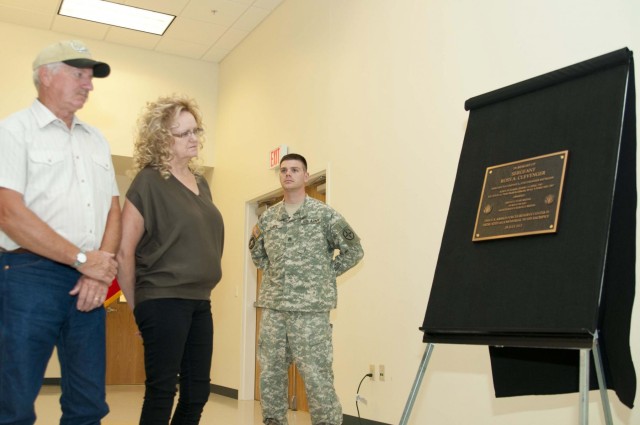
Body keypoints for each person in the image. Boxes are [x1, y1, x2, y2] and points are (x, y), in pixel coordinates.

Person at [0, 40, 121, 424]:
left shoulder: (97, 140)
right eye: (79, 74)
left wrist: (100, 268)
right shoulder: (13, 131)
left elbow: (113, 210)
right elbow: (8, 212)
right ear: (46, 75)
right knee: (14, 398)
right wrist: (84, 260)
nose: (88, 85)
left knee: (89, 402)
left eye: (90, 77)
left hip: (90, 279)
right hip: (28, 276)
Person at [116, 95, 225, 424]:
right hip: (162, 298)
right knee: (163, 391)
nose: (195, 139)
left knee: (198, 393)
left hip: (199, 300)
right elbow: (124, 252)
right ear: (163, 139)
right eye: (185, 133)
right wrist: (139, 308)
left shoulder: (202, 183)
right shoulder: (148, 181)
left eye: (197, 131)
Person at [249, 153, 364, 425]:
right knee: (271, 372)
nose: (288, 174)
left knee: (316, 374)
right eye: (284, 170)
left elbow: (354, 250)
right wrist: (277, 277)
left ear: (306, 176)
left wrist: (324, 275)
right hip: (275, 308)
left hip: (310, 311)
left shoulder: (324, 215)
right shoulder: (268, 219)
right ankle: (274, 420)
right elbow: (257, 254)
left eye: (295, 170)